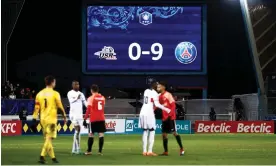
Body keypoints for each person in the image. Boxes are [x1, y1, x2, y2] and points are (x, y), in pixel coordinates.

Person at [32, 76, 67, 164]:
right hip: (51, 119)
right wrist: (64, 116)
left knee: (48, 139)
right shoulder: (55, 93)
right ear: (52, 83)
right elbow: (60, 106)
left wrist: (34, 118)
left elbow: (36, 108)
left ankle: (53, 157)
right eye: (54, 82)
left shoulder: (39, 94)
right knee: (49, 138)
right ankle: (42, 156)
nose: (55, 83)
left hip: (42, 119)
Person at [139, 81, 171, 156]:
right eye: (157, 86)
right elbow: (157, 104)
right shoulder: (155, 94)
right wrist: (166, 109)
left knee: (145, 131)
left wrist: (158, 95)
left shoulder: (146, 91)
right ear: (154, 86)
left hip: (142, 112)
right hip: (149, 113)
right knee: (152, 131)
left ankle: (144, 151)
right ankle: (150, 151)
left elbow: (151, 98)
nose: (158, 87)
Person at [157, 81, 185, 156]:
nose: (158, 88)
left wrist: (170, 114)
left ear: (164, 87)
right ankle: (166, 151)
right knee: (164, 134)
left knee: (174, 133)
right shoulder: (159, 96)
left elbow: (173, 105)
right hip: (164, 118)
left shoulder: (168, 95)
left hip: (170, 117)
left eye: (159, 86)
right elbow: (157, 105)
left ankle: (182, 148)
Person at [83, 84, 106, 155]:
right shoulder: (103, 98)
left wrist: (85, 119)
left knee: (91, 134)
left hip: (93, 118)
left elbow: (88, 109)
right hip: (101, 118)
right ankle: (100, 152)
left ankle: (89, 151)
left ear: (91, 90)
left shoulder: (91, 98)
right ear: (98, 90)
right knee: (101, 135)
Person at [67, 81, 87, 154]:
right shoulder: (70, 93)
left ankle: (76, 149)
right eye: (75, 84)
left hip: (80, 115)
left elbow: (85, 103)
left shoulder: (81, 94)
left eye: (78, 84)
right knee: (77, 130)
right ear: (72, 85)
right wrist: (76, 97)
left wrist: (90, 107)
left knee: (78, 132)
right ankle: (75, 149)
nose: (77, 86)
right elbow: (71, 101)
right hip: (73, 115)